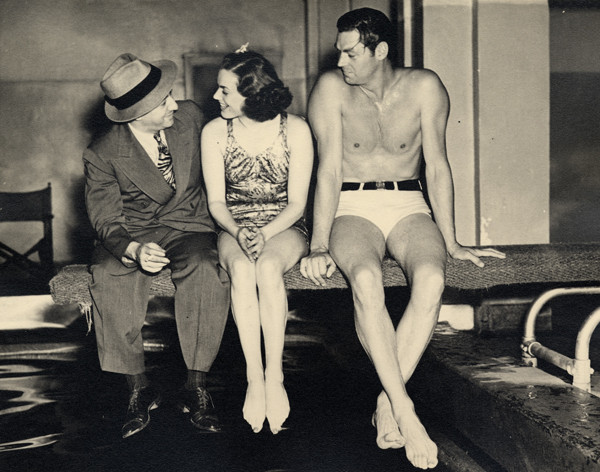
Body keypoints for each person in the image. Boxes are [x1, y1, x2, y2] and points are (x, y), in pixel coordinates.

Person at [300, 8, 505, 470]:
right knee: (366, 278)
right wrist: (318, 244)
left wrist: (452, 240)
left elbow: (437, 166)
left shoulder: (425, 87)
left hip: (409, 204)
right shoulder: (330, 89)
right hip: (351, 206)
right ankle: (405, 409)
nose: (341, 61)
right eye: (339, 52)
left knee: (432, 278)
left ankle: (386, 400)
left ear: (380, 50)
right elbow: (327, 170)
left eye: (351, 53)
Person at [84, 53, 230, 438]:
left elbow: (240, 123)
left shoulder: (191, 116)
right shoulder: (102, 152)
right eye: (164, 101)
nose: (173, 105)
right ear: (136, 114)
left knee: (205, 267)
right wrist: (133, 250)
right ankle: (138, 386)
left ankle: (196, 385)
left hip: (189, 225)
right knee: (107, 273)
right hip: (133, 231)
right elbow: (105, 219)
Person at [201, 47, 313, 434]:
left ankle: (275, 376)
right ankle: (254, 378)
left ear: (251, 93)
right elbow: (216, 202)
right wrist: (238, 231)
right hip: (233, 224)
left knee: (266, 268)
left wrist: (264, 233)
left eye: (224, 90)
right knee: (240, 267)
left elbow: (297, 204)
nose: (215, 96)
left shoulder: (296, 129)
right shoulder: (214, 132)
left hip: (284, 225)